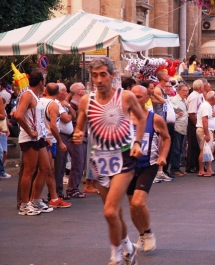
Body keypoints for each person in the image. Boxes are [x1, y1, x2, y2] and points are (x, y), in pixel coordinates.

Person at [72, 57, 145, 265]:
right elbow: (80, 127)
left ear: (112, 76)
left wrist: (138, 142)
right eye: (95, 75)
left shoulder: (126, 97)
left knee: (109, 211)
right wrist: (78, 135)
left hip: (124, 158)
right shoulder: (87, 101)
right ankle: (129, 248)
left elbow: (140, 119)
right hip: (99, 161)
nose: (99, 79)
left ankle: (115, 257)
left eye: (103, 74)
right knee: (115, 213)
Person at [127, 85, 171, 253]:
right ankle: (142, 234)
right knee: (132, 206)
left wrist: (163, 155)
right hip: (128, 166)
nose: (136, 99)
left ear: (147, 99)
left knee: (138, 202)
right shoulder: (123, 118)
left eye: (139, 96)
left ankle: (149, 232)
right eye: (133, 95)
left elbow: (166, 138)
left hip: (148, 165)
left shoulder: (155, 119)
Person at [14, 69, 58, 215]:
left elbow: (37, 119)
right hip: (30, 138)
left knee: (45, 168)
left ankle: (36, 200)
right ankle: (24, 204)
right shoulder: (28, 94)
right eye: (44, 80)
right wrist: (30, 131)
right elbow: (18, 115)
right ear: (41, 82)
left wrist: (43, 136)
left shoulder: (35, 95)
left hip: (38, 138)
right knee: (29, 171)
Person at [54, 83, 77, 199]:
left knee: (62, 166)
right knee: (58, 166)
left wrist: (68, 106)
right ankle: (56, 193)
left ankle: (59, 192)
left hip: (65, 136)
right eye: (64, 91)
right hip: (60, 135)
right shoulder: (56, 104)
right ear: (58, 93)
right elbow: (67, 118)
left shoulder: (64, 104)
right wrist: (69, 112)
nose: (66, 93)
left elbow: (74, 115)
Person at [196, 91, 215, 177]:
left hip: (207, 130)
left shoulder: (207, 106)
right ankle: (201, 170)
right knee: (204, 149)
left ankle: (209, 169)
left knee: (209, 150)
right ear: (213, 98)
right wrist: (207, 134)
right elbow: (204, 120)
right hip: (205, 130)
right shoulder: (206, 106)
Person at [169, 83, 189, 177]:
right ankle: (174, 169)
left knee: (181, 149)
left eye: (187, 90)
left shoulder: (184, 100)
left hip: (183, 127)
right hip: (177, 127)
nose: (186, 92)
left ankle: (177, 168)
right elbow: (171, 114)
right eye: (184, 90)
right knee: (176, 149)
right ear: (178, 91)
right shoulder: (174, 100)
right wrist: (177, 115)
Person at [186, 79, 204, 173]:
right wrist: (196, 124)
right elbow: (191, 113)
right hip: (194, 122)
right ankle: (190, 165)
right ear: (200, 87)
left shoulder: (198, 96)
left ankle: (196, 165)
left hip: (197, 121)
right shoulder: (194, 97)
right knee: (193, 145)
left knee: (197, 145)